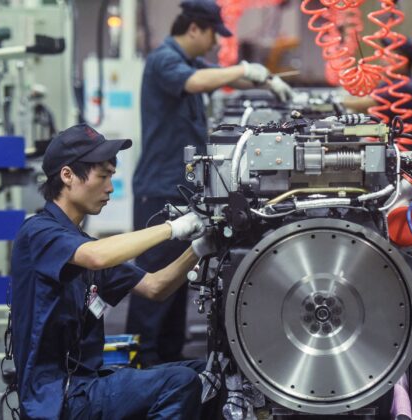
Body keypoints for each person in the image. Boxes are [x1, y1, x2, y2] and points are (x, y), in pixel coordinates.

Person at [127, 0, 294, 367]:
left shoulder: (186, 59)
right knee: (154, 278)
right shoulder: (165, 60)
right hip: (159, 187)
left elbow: (222, 75)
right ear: (194, 29)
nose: (216, 44)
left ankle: (167, 360)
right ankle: (138, 362)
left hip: (178, 186)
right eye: (214, 36)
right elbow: (197, 81)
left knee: (175, 279)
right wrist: (245, 67)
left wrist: (264, 78)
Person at [10, 123, 216, 419]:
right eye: (103, 176)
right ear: (67, 176)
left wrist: (199, 247)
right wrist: (172, 228)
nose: (109, 187)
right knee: (178, 383)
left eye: (112, 177)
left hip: (89, 381)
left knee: (205, 373)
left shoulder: (81, 245)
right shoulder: (39, 234)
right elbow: (97, 257)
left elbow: (156, 287)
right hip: (57, 397)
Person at [341, 38, 412, 129]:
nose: (382, 59)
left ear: (403, 61)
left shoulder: (404, 86)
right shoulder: (390, 83)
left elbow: (366, 104)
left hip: (398, 142)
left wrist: (338, 102)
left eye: (388, 55)